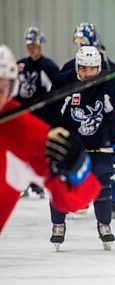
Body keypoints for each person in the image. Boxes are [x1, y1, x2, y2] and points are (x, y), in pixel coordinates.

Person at [0, 44, 100, 234]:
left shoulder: (24, 134)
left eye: (0, 88)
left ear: (11, 88)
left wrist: (78, 170)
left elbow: (72, 200)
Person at [46, 46, 115, 250]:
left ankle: (104, 225)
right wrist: (51, 138)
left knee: (103, 179)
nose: (87, 73)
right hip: (70, 143)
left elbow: (114, 116)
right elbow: (52, 113)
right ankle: (58, 224)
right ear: (77, 66)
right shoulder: (63, 82)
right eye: (83, 68)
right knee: (60, 181)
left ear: (99, 68)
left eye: (92, 69)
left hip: (99, 141)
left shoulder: (110, 84)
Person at [62, 22, 115, 218]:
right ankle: (81, 197)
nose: (80, 44)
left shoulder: (109, 66)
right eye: (78, 41)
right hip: (81, 123)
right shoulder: (71, 67)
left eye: (83, 40)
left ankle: (114, 198)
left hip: (105, 120)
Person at [16, 26, 60, 198]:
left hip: (42, 118)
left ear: (41, 45)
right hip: (23, 117)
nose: (31, 49)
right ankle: (24, 182)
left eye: (34, 45)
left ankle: (38, 182)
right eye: (29, 46)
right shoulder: (20, 65)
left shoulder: (48, 67)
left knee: (41, 151)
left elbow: (57, 92)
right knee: (22, 151)